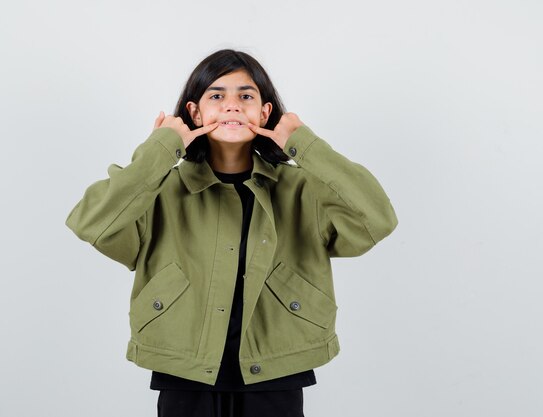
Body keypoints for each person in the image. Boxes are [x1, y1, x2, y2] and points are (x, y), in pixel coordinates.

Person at [66, 49, 398, 417]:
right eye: (217, 96)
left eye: (246, 96)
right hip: (184, 370)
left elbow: (377, 218)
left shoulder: (300, 189)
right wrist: (162, 147)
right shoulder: (160, 191)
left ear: (265, 112)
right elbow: (92, 222)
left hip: (277, 369)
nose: (232, 106)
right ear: (194, 113)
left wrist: (303, 143)